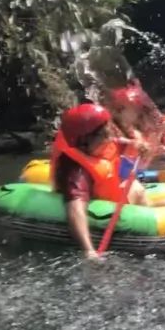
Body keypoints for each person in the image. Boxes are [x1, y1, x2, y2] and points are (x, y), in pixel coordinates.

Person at [50, 104, 135, 259]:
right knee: (135, 189)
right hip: (99, 205)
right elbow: (75, 208)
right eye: (105, 135)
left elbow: (117, 141)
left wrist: (137, 144)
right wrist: (89, 250)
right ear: (85, 140)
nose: (109, 139)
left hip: (111, 197)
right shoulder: (76, 169)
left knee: (136, 187)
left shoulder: (99, 142)